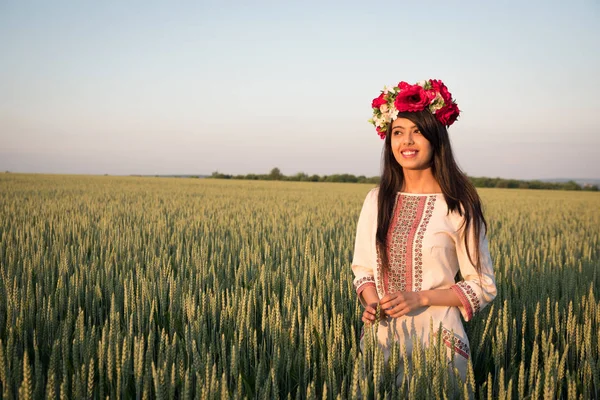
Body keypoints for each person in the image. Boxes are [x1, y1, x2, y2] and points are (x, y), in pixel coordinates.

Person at [352, 79, 497, 381]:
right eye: (398, 133)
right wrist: (371, 303)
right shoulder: (376, 200)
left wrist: (422, 298)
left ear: (436, 139)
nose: (407, 142)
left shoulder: (459, 204)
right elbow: (364, 269)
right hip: (381, 343)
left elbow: (483, 284)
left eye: (418, 132)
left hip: (439, 345)